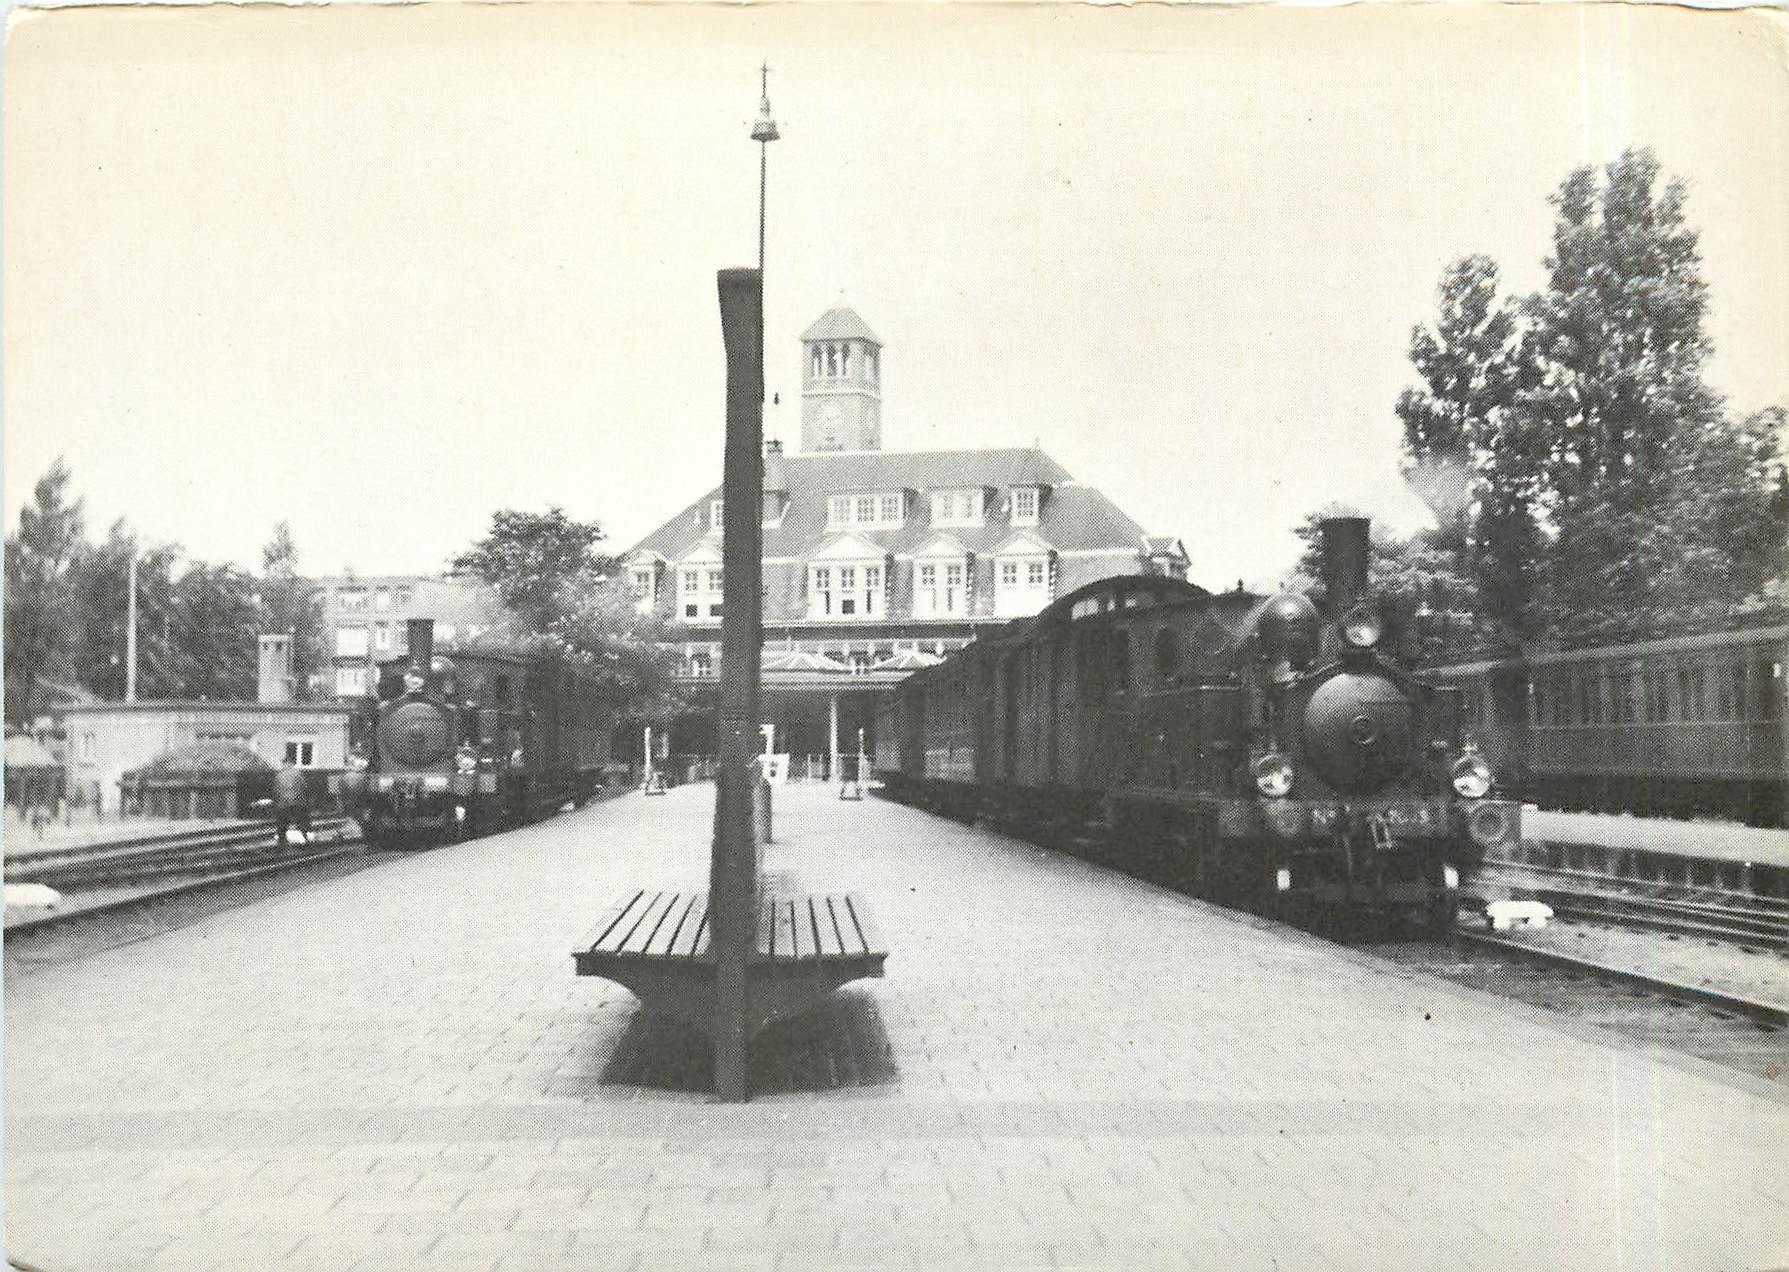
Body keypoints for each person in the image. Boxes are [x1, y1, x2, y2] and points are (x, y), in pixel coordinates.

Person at [273, 758, 311, 846]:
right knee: (302, 820)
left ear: (284, 764)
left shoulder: (279, 775)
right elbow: (304, 787)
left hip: (282, 803)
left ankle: (281, 841)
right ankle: (305, 838)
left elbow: (275, 790)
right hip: (298, 802)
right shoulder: (298, 773)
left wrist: (277, 802)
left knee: (282, 822)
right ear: (291, 763)